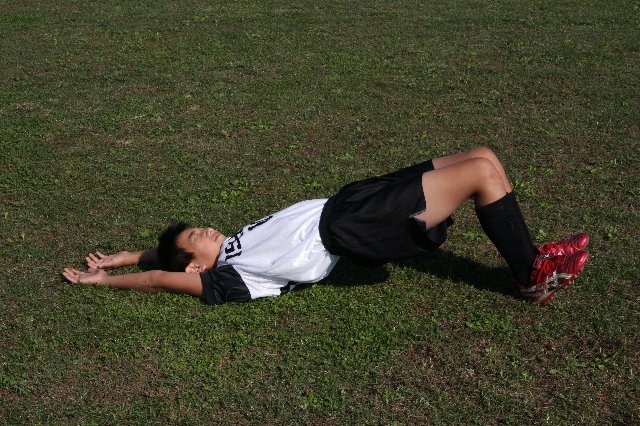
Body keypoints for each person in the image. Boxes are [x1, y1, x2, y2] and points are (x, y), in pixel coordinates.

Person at [63, 147, 589, 305]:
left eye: (198, 228)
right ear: (197, 266)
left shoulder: (230, 246)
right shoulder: (229, 278)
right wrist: (104, 281)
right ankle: (531, 273)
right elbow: (163, 277)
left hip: (348, 202)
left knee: (483, 157)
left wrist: (126, 254)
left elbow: (164, 260)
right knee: (478, 176)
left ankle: (530, 255)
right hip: (350, 227)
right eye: (196, 238)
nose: (205, 230)